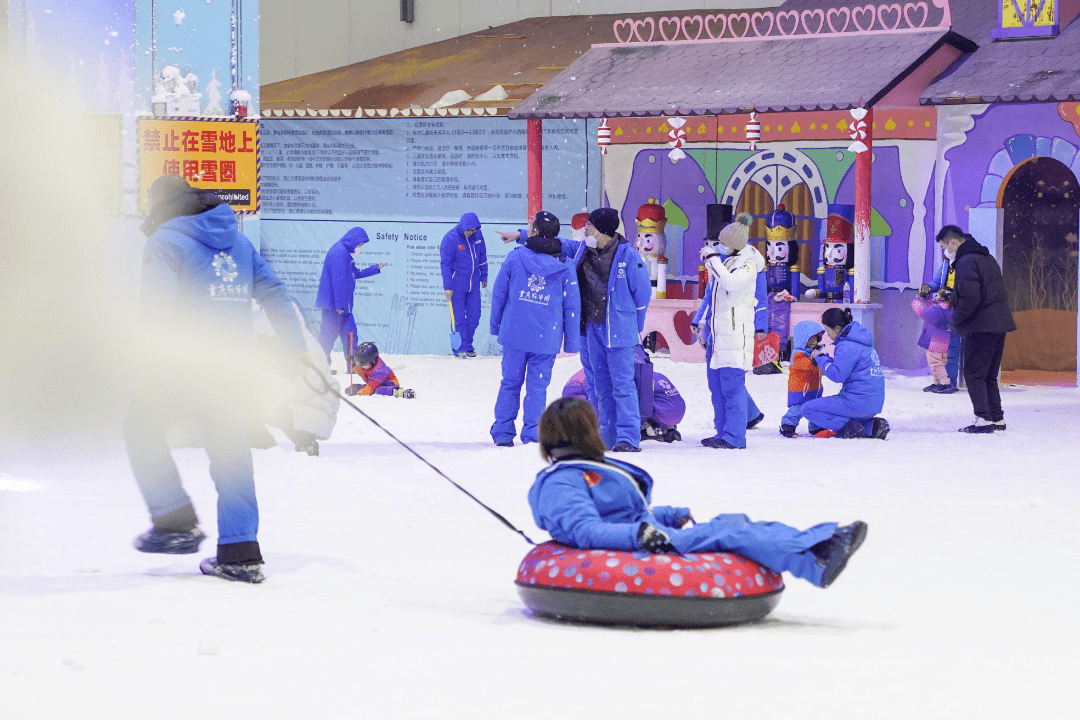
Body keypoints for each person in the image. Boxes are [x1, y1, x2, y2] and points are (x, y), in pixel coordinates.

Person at [127, 175, 307, 583]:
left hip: (186, 367)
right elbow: (276, 294)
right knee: (231, 455)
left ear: (160, 205)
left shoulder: (164, 242)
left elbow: (155, 314)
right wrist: (296, 350)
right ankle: (240, 552)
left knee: (140, 428)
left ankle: (173, 523)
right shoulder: (239, 243)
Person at [528, 397, 868, 589]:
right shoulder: (562, 482)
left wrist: (662, 516)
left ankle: (818, 543)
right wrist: (642, 533)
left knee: (731, 521)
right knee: (728, 532)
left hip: (645, 535)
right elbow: (586, 530)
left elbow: (618, 513)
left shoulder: (583, 469)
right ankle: (815, 558)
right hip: (637, 545)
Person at [499, 208, 651, 452]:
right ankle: (607, 436)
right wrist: (519, 235)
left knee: (622, 385)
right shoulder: (583, 248)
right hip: (591, 328)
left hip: (618, 330)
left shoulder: (628, 256)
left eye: (588, 227)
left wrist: (634, 327)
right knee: (599, 385)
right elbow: (553, 242)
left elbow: (643, 295)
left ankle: (628, 437)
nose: (585, 231)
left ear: (601, 231)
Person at [489, 211, 580, 446]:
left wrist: (496, 325)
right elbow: (572, 306)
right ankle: (531, 434)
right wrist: (571, 342)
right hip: (546, 338)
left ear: (535, 230)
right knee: (537, 389)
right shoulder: (565, 266)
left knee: (509, 383)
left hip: (514, 333)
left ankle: (502, 432)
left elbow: (499, 294)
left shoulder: (515, 258)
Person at [692, 204, 767, 431]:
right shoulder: (724, 262)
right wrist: (699, 320)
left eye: (722, 244)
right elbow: (710, 296)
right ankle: (726, 429)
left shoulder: (749, 265)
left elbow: (754, 296)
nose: (718, 248)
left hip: (735, 332)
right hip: (718, 330)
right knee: (719, 384)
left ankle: (736, 431)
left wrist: (761, 326)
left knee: (732, 384)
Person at [935, 226, 1017, 433]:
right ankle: (996, 418)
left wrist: (956, 319)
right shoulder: (985, 257)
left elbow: (971, 298)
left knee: (973, 373)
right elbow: (980, 290)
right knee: (988, 374)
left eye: (945, 246)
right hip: (998, 323)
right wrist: (952, 295)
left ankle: (983, 420)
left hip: (981, 325)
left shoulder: (966, 261)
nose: (946, 251)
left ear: (953, 243)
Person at [254, 297, 341, 456]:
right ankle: (258, 444)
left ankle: (305, 441)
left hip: (320, 403)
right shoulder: (274, 345)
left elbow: (310, 388)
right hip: (300, 399)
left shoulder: (308, 349)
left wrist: (275, 388)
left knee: (270, 406)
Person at [562, 345, 686, 443]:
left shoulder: (597, 373)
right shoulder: (640, 373)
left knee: (618, 405)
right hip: (671, 410)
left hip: (666, 412)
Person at [803, 307, 889, 439]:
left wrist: (820, 358)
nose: (827, 334)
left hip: (857, 402)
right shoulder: (861, 341)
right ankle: (871, 426)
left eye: (827, 330)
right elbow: (846, 366)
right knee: (840, 407)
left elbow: (837, 375)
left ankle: (850, 428)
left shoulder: (847, 345)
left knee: (808, 409)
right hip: (874, 402)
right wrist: (825, 358)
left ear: (837, 328)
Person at [315, 227, 387, 364]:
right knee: (326, 340)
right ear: (353, 240)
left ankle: (353, 369)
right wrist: (340, 304)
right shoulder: (339, 253)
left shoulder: (345, 254)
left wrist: (374, 269)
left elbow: (355, 274)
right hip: (334, 308)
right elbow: (339, 281)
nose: (360, 247)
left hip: (344, 309)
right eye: (359, 244)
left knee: (351, 338)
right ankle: (321, 369)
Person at [441, 212, 488, 358]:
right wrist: (447, 286)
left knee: (475, 316)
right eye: (469, 230)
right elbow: (446, 264)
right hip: (457, 284)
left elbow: (482, 256)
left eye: (474, 230)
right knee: (458, 317)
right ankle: (459, 348)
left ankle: (468, 345)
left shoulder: (478, 236)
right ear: (462, 227)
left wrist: (484, 275)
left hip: (473, 283)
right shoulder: (450, 238)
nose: (471, 233)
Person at [918, 248, 960, 393]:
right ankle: (941, 382)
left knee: (951, 349)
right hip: (944, 309)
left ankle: (950, 383)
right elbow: (936, 281)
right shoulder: (946, 263)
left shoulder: (966, 263)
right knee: (939, 350)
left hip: (955, 308)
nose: (950, 246)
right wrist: (927, 288)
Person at [779, 320, 825, 438]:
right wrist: (816, 361)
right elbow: (806, 366)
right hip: (800, 391)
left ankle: (816, 427)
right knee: (797, 410)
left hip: (814, 389)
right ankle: (787, 426)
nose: (814, 342)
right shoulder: (797, 354)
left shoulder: (815, 352)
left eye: (816, 338)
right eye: (811, 338)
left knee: (815, 409)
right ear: (802, 339)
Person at [910, 290, 955, 393]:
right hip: (943, 341)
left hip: (933, 341)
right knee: (939, 362)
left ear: (940, 298)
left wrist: (916, 301)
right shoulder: (949, 310)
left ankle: (945, 383)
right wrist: (926, 298)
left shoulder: (937, 310)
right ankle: (937, 383)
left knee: (935, 363)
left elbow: (922, 311)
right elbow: (933, 306)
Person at [345, 342, 414, 398]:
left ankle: (398, 392)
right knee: (355, 387)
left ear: (373, 361)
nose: (362, 367)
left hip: (389, 385)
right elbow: (363, 372)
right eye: (361, 365)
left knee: (378, 390)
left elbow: (369, 389)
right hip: (375, 383)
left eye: (365, 365)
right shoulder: (369, 365)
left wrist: (358, 394)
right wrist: (353, 364)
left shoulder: (379, 371)